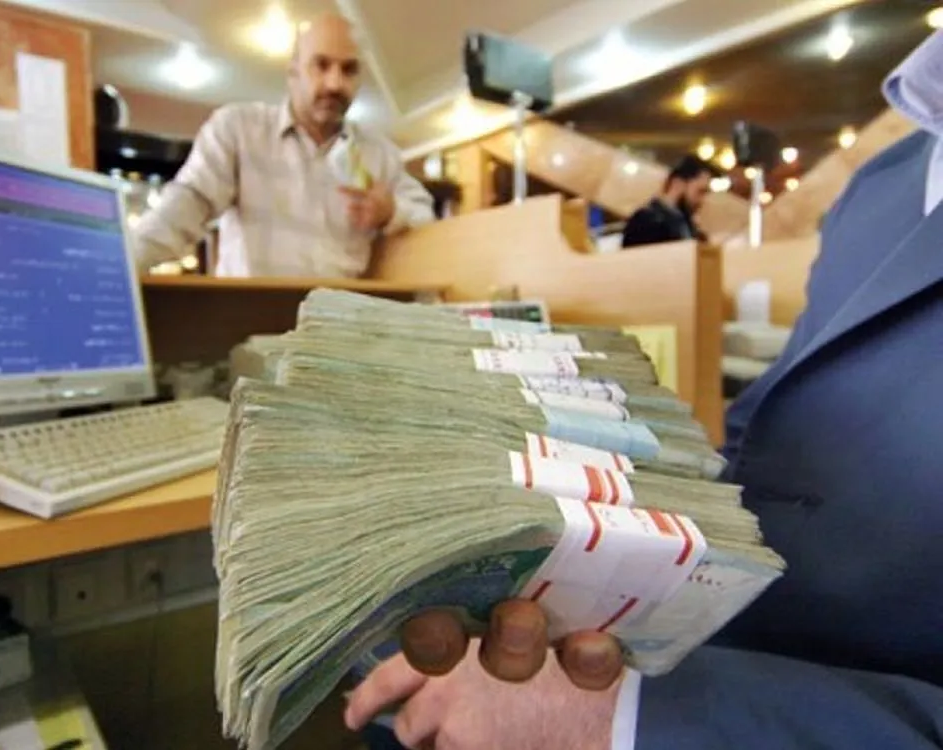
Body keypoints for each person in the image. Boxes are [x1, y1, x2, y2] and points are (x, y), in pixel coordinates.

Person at [346, 28, 943, 750]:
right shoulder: (885, 178)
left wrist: (621, 719)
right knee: (392, 658)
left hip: (783, 708)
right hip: (711, 627)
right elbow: (771, 428)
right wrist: (586, 516)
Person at [133, 13, 435, 278]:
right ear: (293, 72)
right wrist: (120, 267)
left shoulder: (379, 154)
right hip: (247, 320)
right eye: (321, 65)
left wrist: (391, 212)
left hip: (338, 324)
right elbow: (185, 207)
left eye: (349, 69)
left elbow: (429, 225)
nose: (335, 83)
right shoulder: (238, 129)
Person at [620, 155, 714, 248]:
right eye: (700, 191)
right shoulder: (646, 221)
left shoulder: (687, 225)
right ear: (678, 183)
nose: (702, 200)